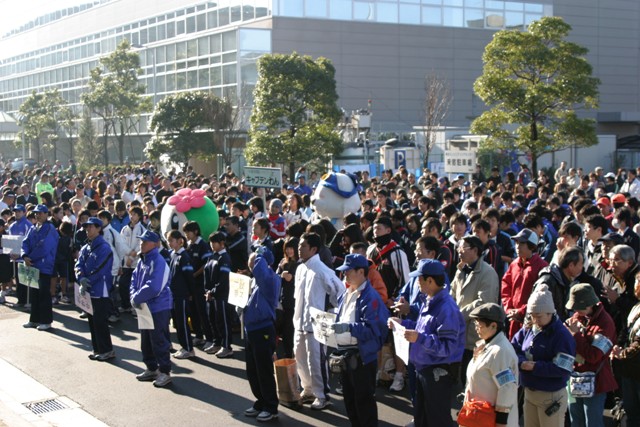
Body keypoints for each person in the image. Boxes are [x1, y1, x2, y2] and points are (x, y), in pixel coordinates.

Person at [389, 259, 465, 427]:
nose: (417, 282)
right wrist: (402, 324)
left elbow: (448, 347)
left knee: (437, 420)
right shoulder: (429, 300)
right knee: (422, 417)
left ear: (430, 280)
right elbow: (421, 328)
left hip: (438, 374)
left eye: (420, 278)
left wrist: (420, 338)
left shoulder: (447, 308)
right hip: (424, 369)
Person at [331, 254, 389, 427]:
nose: (345, 275)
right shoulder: (347, 292)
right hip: (347, 355)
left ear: (361, 272)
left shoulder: (370, 297)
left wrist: (349, 327)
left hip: (362, 357)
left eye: (348, 271)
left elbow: (374, 329)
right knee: (350, 400)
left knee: (363, 402)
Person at [511, 284, 576, 427]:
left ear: (550, 313)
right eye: (532, 316)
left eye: (538, 316)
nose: (535, 320)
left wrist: (535, 367)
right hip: (529, 393)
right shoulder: (529, 329)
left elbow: (563, 368)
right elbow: (514, 348)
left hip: (550, 396)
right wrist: (521, 363)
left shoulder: (562, 335)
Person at [294, 232, 345, 410]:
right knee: (300, 359)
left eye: (303, 246)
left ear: (314, 249)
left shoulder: (323, 270)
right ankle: (308, 389)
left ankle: (322, 395)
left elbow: (340, 292)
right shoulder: (300, 268)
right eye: (299, 246)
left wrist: (331, 314)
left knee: (316, 361)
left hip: (318, 325)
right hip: (299, 323)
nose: (299, 249)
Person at [564, 283, 617, 427]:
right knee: (576, 421)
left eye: (578, 307)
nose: (575, 311)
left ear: (590, 304)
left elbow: (594, 356)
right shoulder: (579, 317)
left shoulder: (605, 324)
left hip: (596, 382)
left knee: (592, 422)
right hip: (575, 378)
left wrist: (575, 335)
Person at [449, 235, 500, 382]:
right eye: (458, 247)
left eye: (463, 247)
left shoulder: (487, 273)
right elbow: (452, 293)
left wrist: (458, 314)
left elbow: (484, 303)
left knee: (472, 379)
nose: (459, 251)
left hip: (474, 335)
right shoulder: (461, 269)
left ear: (475, 250)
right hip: (457, 332)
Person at [463, 303, 519, 427]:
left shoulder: (501, 351)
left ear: (493, 326)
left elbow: (507, 388)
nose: (476, 328)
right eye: (476, 324)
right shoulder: (486, 346)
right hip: (478, 416)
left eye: (480, 325)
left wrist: (501, 422)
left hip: (490, 420)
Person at [130, 230, 173, 388]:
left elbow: (155, 287)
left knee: (159, 340)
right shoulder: (143, 260)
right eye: (141, 241)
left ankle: (165, 371)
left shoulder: (159, 261)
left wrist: (137, 297)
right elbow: (134, 279)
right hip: (145, 306)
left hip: (158, 307)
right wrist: (134, 296)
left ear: (155, 244)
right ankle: (151, 368)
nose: (141, 243)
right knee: (146, 340)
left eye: (145, 241)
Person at [242, 247, 281, 422]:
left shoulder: (269, 279)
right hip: (251, 330)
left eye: (255, 260)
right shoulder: (256, 280)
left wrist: (259, 255)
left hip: (263, 329)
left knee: (264, 370)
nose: (251, 264)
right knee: (253, 369)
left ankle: (271, 406)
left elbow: (260, 270)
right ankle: (261, 400)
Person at [75, 217, 115, 361]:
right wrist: (81, 278)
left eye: (91, 227)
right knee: (92, 320)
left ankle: (107, 350)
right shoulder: (86, 247)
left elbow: (101, 269)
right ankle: (97, 348)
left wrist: (87, 281)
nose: (88, 229)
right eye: (86, 227)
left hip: (100, 290)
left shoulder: (104, 247)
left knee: (100, 321)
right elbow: (78, 265)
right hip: (88, 289)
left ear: (99, 228)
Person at [501, 228, 548, 338]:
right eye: (516, 242)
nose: (517, 246)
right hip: (513, 319)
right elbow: (505, 285)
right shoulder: (514, 264)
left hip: (532, 320)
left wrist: (521, 311)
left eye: (522, 243)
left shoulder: (542, 266)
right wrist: (509, 309)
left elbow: (541, 295)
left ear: (532, 246)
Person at [21, 204, 59, 331]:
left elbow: (44, 247)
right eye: (36, 213)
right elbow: (25, 242)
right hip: (33, 264)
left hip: (44, 266)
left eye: (40, 213)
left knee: (44, 294)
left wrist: (29, 257)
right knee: (35, 293)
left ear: (46, 214)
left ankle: (46, 321)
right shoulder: (33, 228)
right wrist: (24, 255)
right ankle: (34, 319)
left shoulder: (50, 228)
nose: (38, 215)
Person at [611, 271, 640, 426]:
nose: (635, 286)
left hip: (636, 367)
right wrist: (619, 346)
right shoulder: (636, 307)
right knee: (632, 413)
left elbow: (638, 344)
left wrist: (621, 353)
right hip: (630, 370)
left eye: (637, 282)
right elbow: (626, 328)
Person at [203, 232, 234, 358]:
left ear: (222, 243)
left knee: (223, 321)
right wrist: (207, 290)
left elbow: (224, 280)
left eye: (214, 242)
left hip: (222, 296)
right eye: (210, 242)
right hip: (211, 295)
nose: (211, 245)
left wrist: (213, 291)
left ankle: (227, 346)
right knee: (213, 320)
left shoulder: (224, 258)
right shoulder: (212, 256)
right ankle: (217, 343)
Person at [166, 230, 195, 360]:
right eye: (168, 240)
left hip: (182, 294)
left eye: (171, 240)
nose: (169, 243)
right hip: (174, 294)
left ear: (179, 241)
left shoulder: (184, 257)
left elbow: (189, 277)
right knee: (177, 322)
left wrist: (190, 293)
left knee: (183, 322)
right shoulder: (173, 254)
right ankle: (184, 346)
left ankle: (189, 348)